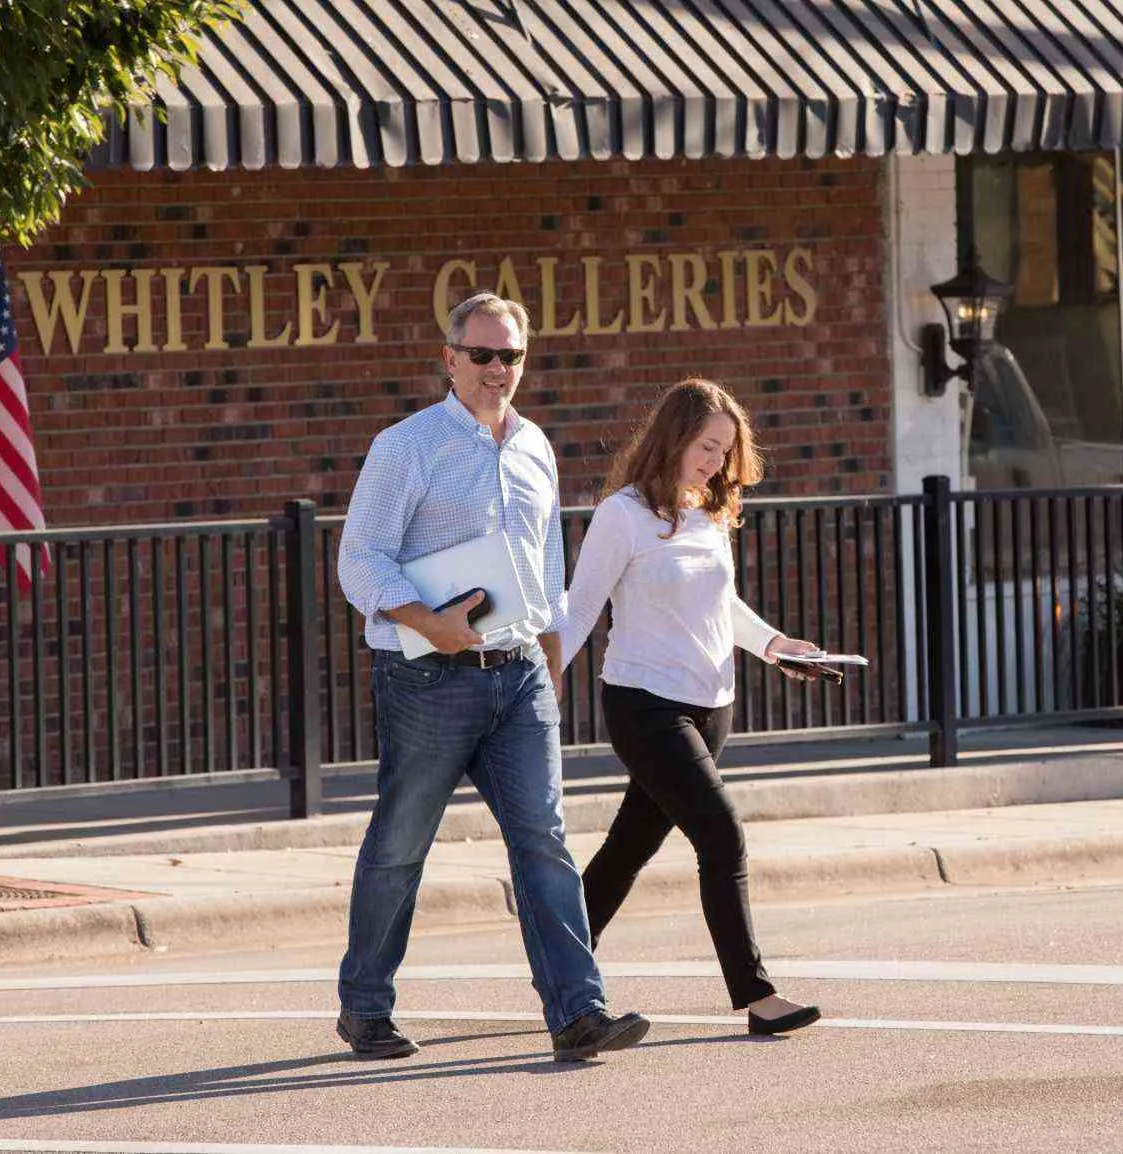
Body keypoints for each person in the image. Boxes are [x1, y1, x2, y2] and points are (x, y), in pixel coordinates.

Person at [334, 290, 648, 1063]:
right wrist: (423, 619)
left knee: (543, 840)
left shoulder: (535, 446)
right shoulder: (406, 446)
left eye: (510, 355)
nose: (497, 369)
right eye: (482, 355)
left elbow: (543, 569)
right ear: (449, 359)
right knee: (402, 845)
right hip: (429, 680)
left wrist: (548, 655)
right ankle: (366, 1008)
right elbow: (359, 559)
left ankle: (579, 1011)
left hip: (518, 678)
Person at [558, 378, 824, 1036]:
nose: (716, 463)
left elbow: (720, 607)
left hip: (712, 707)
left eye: (725, 452)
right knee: (721, 834)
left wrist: (774, 645)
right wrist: (530, 688)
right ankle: (758, 998)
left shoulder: (706, 511)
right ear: (673, 437)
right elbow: (580, 608)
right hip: (645, 706)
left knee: (627, 849)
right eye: (707, 447)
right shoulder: (622, 515)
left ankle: (559, 967)